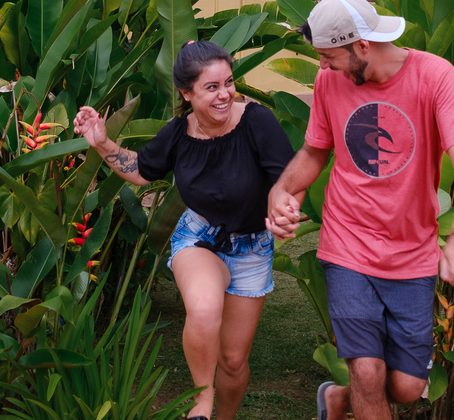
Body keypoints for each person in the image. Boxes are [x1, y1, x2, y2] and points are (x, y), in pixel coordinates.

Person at [265, 0, 454, 420]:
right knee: (366, 371)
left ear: (362, 45)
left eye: (329, 57)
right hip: (348, 245)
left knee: (404, 387)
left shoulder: (435, 76)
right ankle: (356, 390)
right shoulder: (331, 82)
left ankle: (338, 399)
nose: (323, 68)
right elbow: (314, 152)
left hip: (412, 252)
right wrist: (281, 191)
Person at [73, 40, 294, 420]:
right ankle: (201, 404)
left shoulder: (257, 121)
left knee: (233, 362)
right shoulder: (178, 133)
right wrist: (102, 142)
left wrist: (284, 205)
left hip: (252, 247)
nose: (224, 94)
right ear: (186, 93)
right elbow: (142, 170)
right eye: (212, 87)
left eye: (228, 82)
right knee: (204, 309)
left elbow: (288, 178)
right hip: (200, 236)